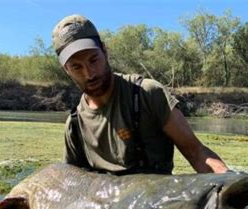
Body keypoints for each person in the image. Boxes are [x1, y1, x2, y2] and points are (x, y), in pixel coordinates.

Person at [52, 14, 229, 175]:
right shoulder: (75, 125)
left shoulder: (148, 94)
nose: (89, 73)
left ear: (105, 52)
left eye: (93, 60)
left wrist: (230, 187)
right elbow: (72, 182)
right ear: (66, 70)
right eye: (77, 67)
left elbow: (196, 152)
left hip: (158, 204)